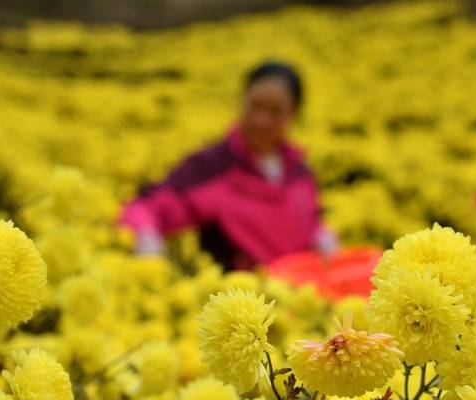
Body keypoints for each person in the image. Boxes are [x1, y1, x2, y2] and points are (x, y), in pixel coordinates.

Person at [120, 61, 337, 270]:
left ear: (293, 114)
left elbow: (309, 222)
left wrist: (319, 235)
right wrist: (146, 238)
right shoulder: (211, 166)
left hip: (302, 291)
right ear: (242, 101)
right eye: (255, 106)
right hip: (234, 300)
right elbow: (145, 207)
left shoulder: (300, 171)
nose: (261, 120)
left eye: (275, 111)